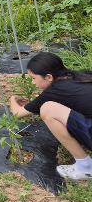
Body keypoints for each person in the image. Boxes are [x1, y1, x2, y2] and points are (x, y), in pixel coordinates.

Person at [9, 52, 92, 180]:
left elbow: (17, 113)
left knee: (48, 109)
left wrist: (12, 98)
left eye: (33, 78)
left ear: (48, 77)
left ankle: (85, 166)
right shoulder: (80, 76)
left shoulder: (53, 92)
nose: (32, 83)